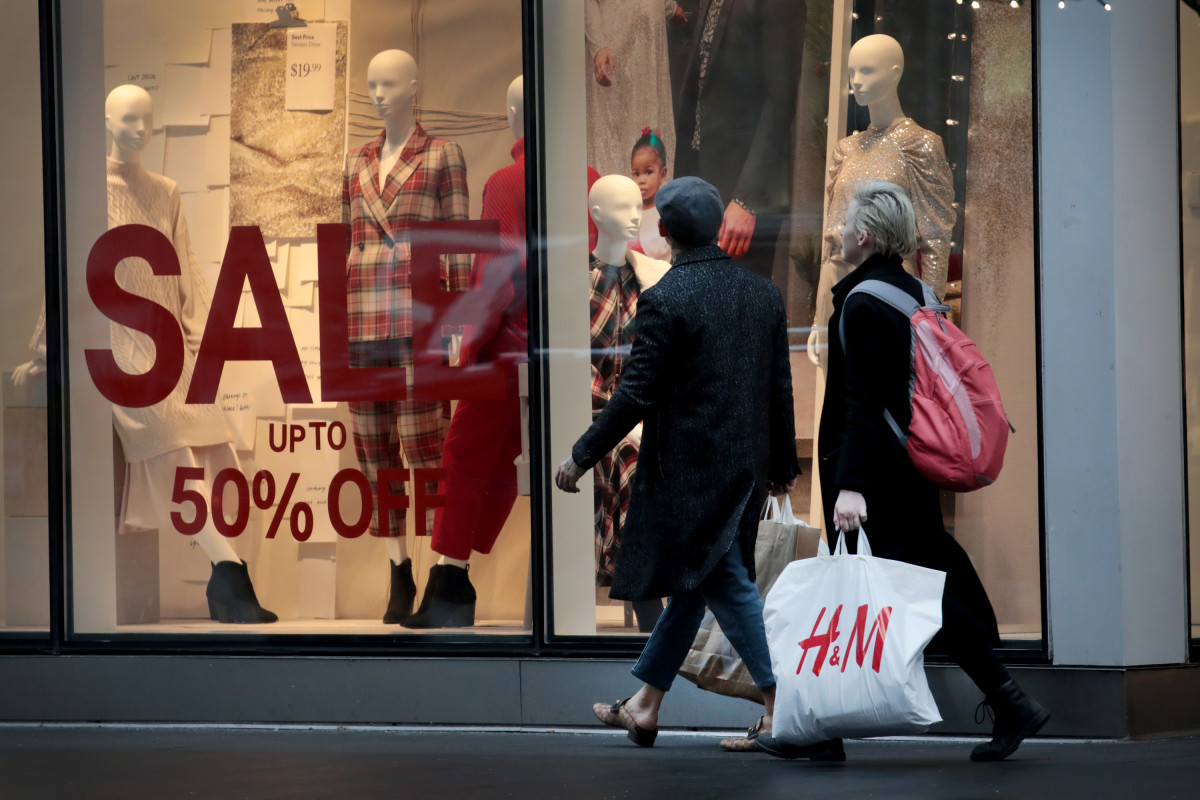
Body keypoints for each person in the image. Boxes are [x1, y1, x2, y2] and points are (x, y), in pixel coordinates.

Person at [757, 181, 1048, 762]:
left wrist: (851, 486)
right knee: (919, 586)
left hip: (876, 480)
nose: (838, 230)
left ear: (865, 234)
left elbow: (863, 403)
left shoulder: (864, 303)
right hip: (906, 469)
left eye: (846, 222)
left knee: (909, 594)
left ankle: (1008, 703)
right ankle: (824, 731)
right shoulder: (914, 291)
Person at [555, 177, 836, 758]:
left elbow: (635, 394)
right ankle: (646, 704)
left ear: (663, 230)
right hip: (745, 469)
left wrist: (581, 456)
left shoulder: (666, 298)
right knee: (697, 583)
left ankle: (784, 707)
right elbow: (778, 388)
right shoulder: (762, 293)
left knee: (725, 583)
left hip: (688, 475)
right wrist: (781, 463)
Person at [341, 50, 470, 624]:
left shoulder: (441, 154)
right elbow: (345, 241)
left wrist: (458, 325)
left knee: (426, 447)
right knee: (375, 451)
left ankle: (441, 570)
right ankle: (398, 569)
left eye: (390, 83)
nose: (378, 94)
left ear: (414, 86)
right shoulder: (355, 161)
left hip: (419, 320)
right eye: (371, 84)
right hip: (364, 318)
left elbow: (460, 242)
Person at [668, 0, 807, 279]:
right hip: (699, 177)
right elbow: (699, 87)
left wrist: (747, 199)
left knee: (738, 300)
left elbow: (780, 100)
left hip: (741, 190)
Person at [629, 128, 672, 261]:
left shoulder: (668, 212)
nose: (641, 180)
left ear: (662, 175)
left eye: (648, 172)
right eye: (636, 174)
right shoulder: (629, 213)